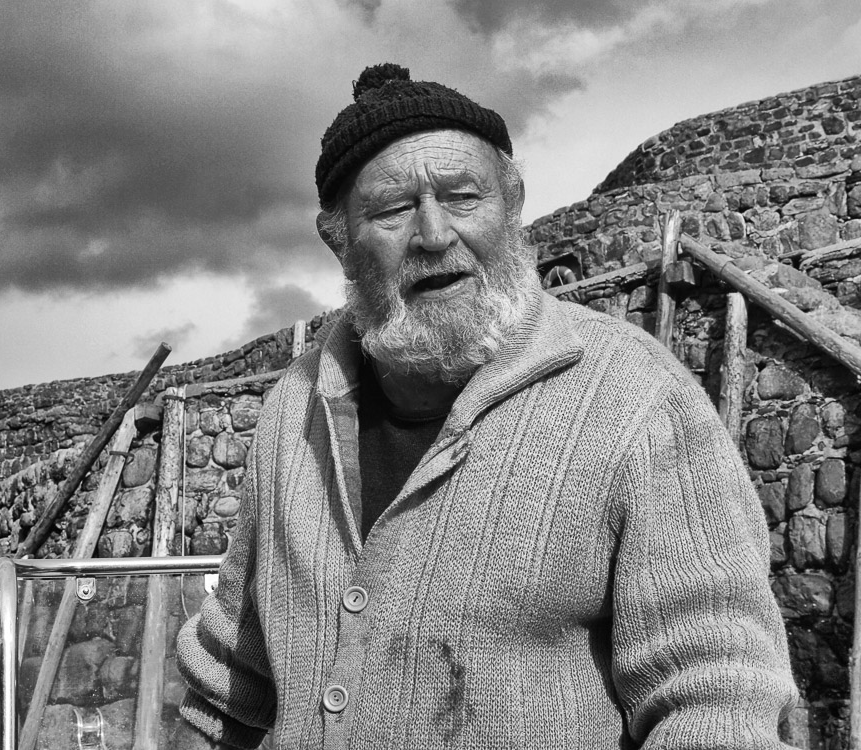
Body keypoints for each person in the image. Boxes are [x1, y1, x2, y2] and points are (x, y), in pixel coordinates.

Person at [172, 63, 799, 750]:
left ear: (512, 204)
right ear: (339, 239)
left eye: (462, 197)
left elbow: (716, 699)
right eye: (391, 210)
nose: (435, 234)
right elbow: (228, 684)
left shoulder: (637, 399)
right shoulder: (292, 413)